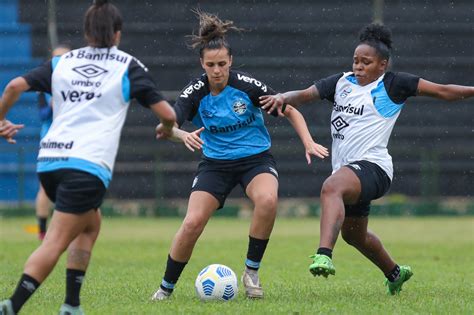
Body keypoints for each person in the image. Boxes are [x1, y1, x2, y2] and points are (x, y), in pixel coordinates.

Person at [259, 23, 474, 295]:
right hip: (350, 171)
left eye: (366, 62)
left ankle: (323, 254)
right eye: (356, 60)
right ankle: (395, 273)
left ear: (382, 65)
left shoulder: (394, 84)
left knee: (331, 187)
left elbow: (444, 91)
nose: (358, 66)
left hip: (375, 168)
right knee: (354, 235)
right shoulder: (341, 82)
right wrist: (281, 96)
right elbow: (302, 96)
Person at [0, 0, 176, 314]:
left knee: (90, 224)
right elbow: (167, 112)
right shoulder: (127, 65)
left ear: (86, 32)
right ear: (118, 34)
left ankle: (71, 305)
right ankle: (12, 305)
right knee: (55, 241)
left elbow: (14, 85)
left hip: (50, 162)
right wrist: (166, 127)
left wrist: (0, 119)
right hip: (87, 167)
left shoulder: (63, 62)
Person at [152, 10, 328, 301]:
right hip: (215, 165)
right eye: (211, 65)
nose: (217, 70)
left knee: (268, 200)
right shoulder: (194, 92)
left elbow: (290, 109)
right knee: (192, 223)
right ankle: (165, 288)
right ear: (202, 64)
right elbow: (165, 126)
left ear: (231, 61)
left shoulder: (247, 86)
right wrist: (180, 134)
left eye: (222, 63)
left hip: (255, 160)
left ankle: (251, 271)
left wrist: (308, 141)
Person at [35, 44, 71, 241]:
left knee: (71, 185)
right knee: (46, 187)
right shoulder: (44, 84)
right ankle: (42, 230)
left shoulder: (80, 83)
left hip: (73, 140)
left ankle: (66, 228)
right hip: (51, 140)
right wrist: (51, 106)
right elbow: (42, 115)